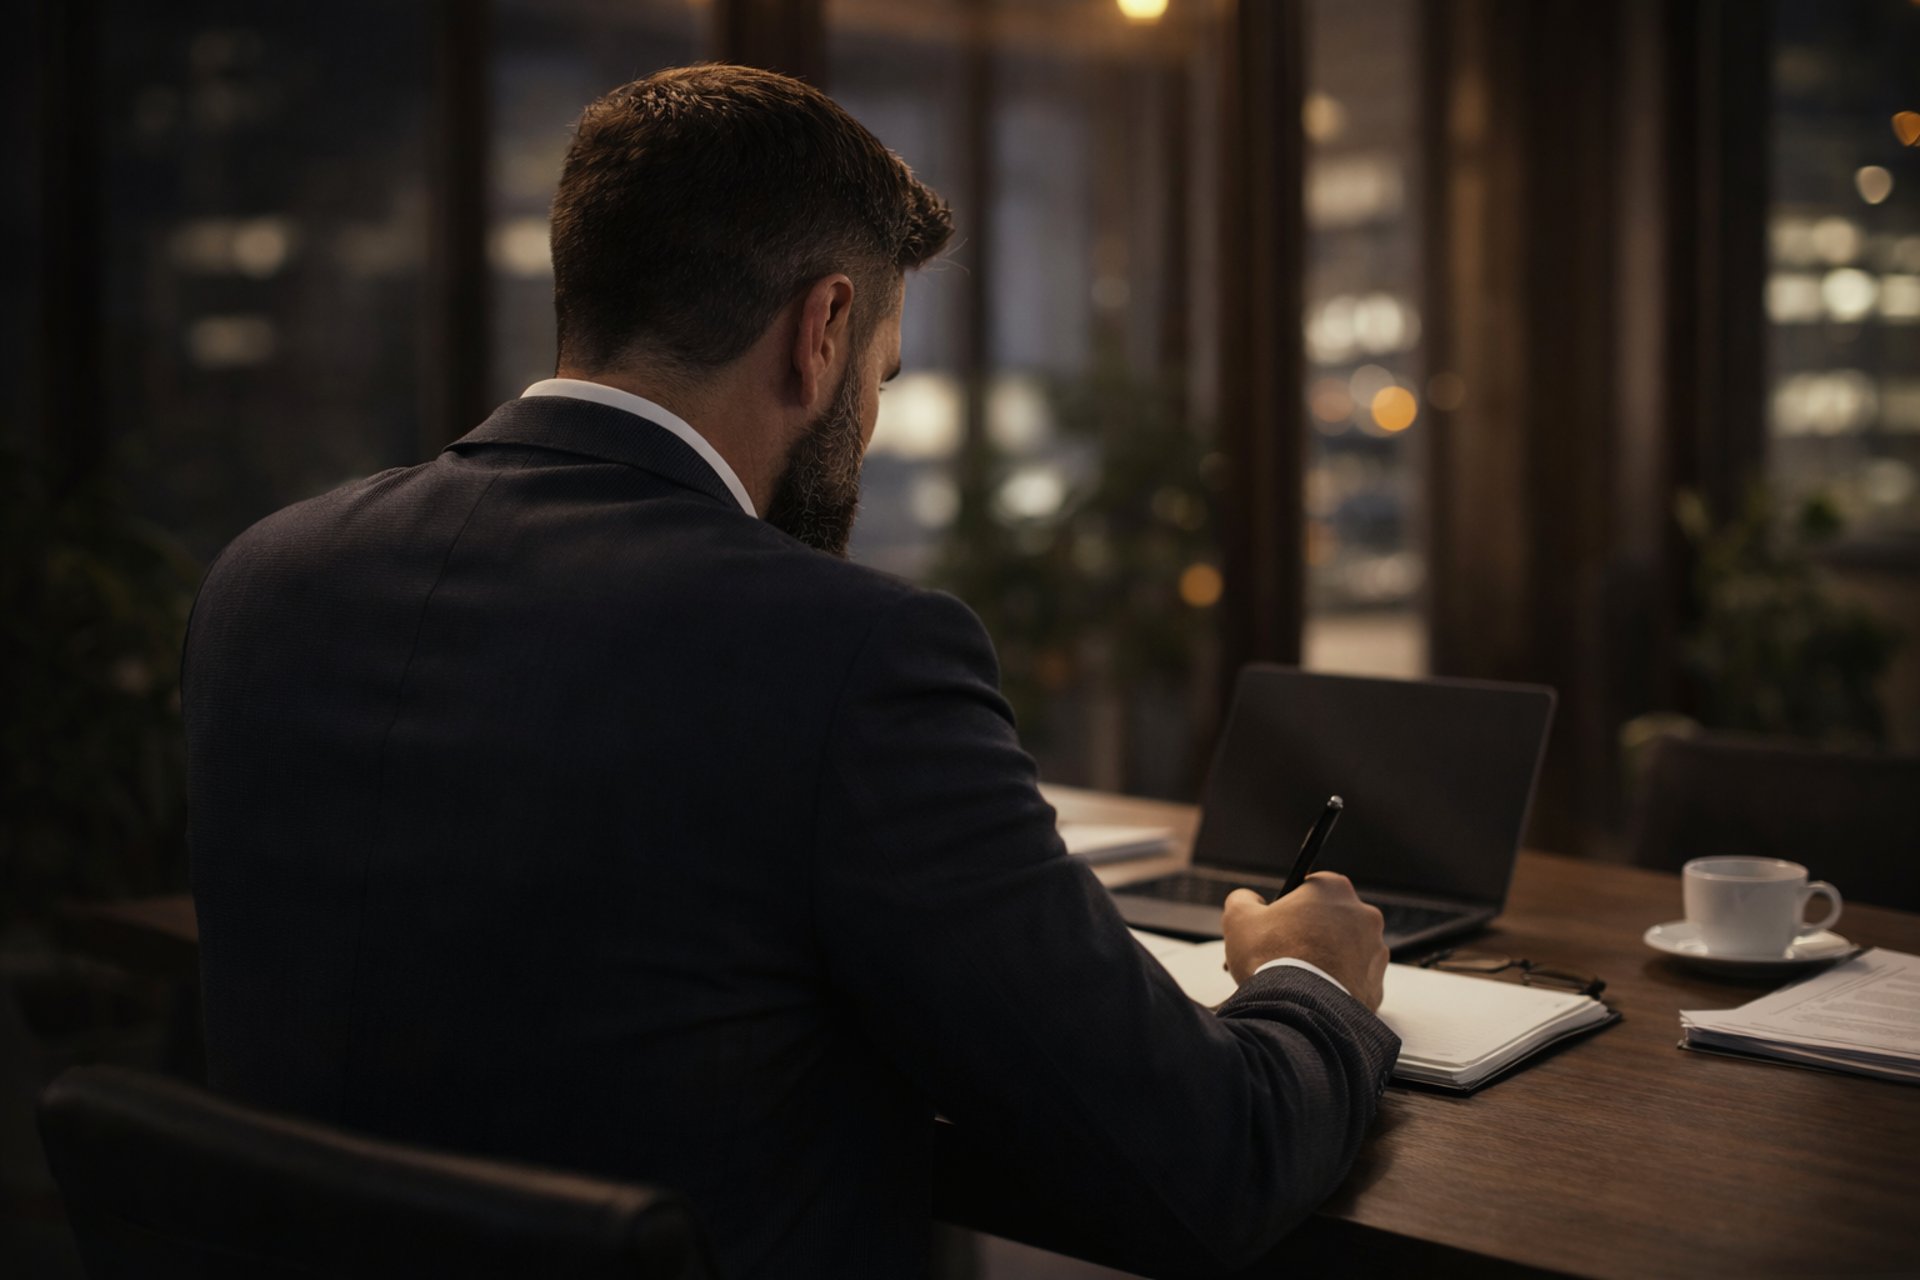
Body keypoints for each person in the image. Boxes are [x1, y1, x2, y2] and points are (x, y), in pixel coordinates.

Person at [183, 64, 1397, 1279]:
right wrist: (1310, 977)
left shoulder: (262, 582)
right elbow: (1208, 1158)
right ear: (821, 332)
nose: (869, 410)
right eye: (884, 370)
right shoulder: (847, 655)